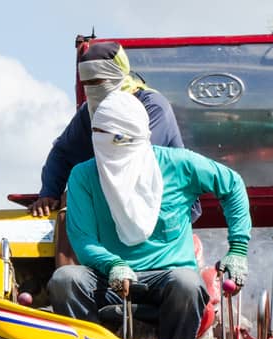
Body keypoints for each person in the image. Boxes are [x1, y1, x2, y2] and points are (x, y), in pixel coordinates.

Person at [48, 92, 250, 339]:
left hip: (168, 278)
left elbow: (232, 185)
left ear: (133, 136)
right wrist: (112, 264)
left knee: (187, 283)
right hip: (108, 278)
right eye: (96, 133)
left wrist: (239, 249)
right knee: (65, 280)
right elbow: (82, 238)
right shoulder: (83, 176)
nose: (101, 142)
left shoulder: (179, 164)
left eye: (111, 137)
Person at [29, 42, 185, 219]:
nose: (92, 90)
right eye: (87, 84)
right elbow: (62, 153)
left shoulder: (153, 107)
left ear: (117, 75)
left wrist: (80, 190)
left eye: (97, 82)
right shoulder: (88, 113)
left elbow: (131, 159)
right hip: (115, 209)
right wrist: (49, 194)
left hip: (165, 208)